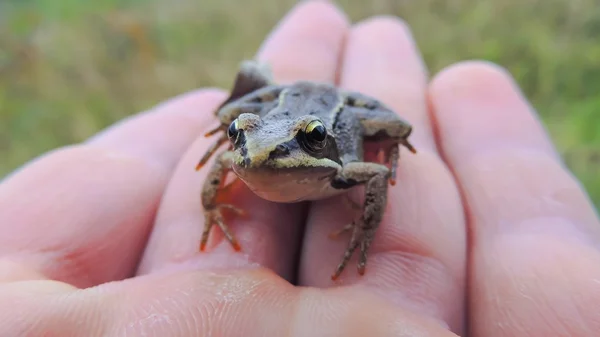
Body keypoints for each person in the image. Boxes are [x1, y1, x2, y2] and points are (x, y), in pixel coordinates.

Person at [1, 1, 599, 336]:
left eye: (245, 153)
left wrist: (366, 227)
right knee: (238, 115)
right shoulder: (247, 154)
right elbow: (228, 163)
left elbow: (374, 176)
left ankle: (285, 129)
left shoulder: (343, 170)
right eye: (240, 144)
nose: (254, 161)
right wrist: (215, 199)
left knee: (401, 129)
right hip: (281, 108)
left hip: (329, 114)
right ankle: (260, 123)